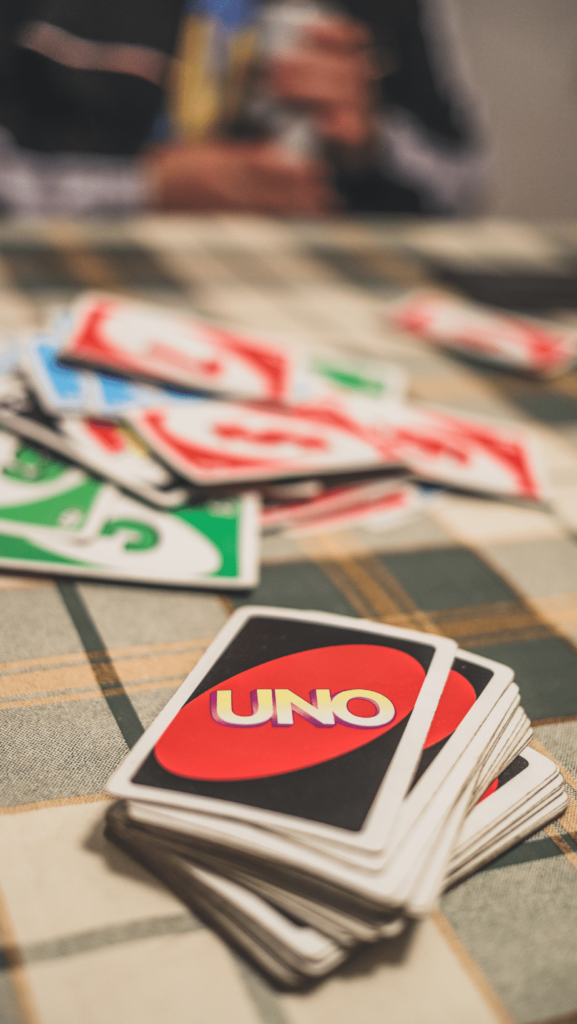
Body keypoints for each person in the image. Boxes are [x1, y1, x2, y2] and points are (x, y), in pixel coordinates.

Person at [0, 0, 487, 217]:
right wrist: (146, 188)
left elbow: (464, 179)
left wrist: (372, 144)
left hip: (301, 286)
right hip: (98, 270)